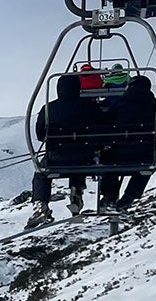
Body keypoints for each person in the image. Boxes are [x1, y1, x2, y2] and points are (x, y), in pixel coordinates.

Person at [30, 73, 107, 228]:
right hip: (86, 156)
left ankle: (41, 206)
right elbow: (102, 130)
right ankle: (76, 193)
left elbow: (40, 134)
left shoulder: (48, 108)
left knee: (41, 173)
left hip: (56, 157)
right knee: (78, 164)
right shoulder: (91, 107)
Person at [101, 75, 156, 212]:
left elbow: (107, 124)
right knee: (145, 168)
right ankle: (129, 196)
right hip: (145, 153)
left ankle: (109, 195)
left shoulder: (120, 103)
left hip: (117, 154)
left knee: (106, 160)